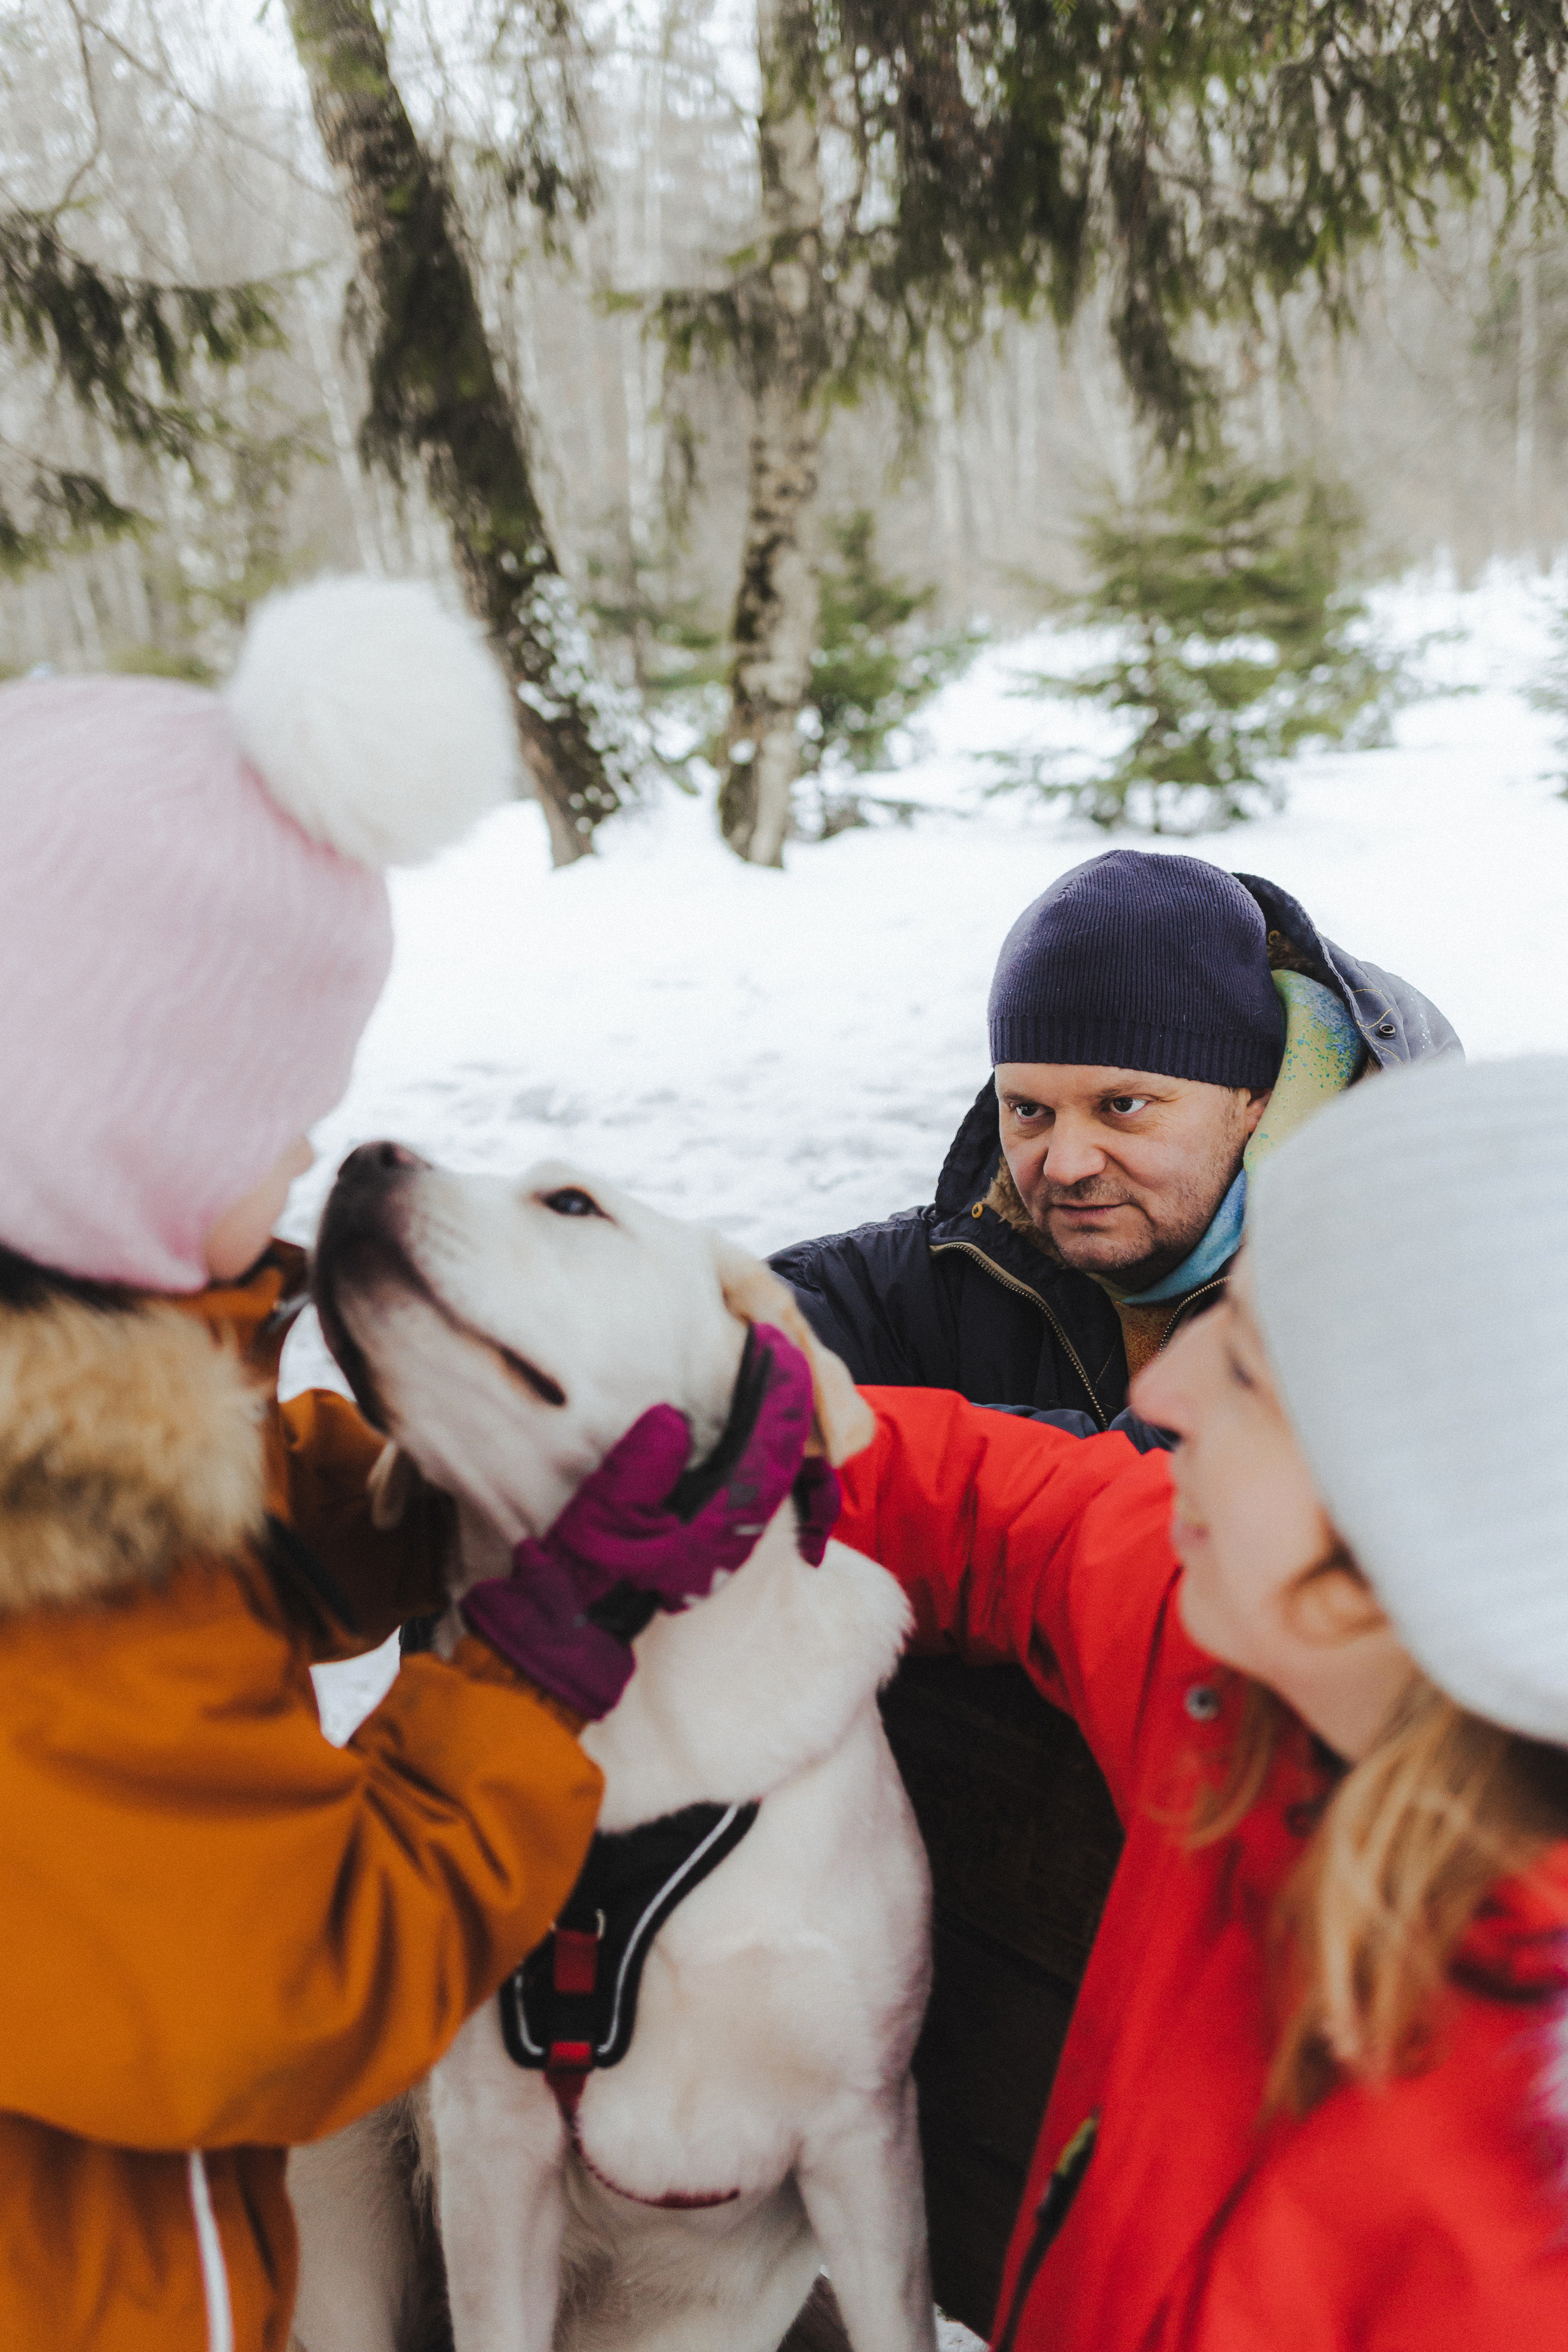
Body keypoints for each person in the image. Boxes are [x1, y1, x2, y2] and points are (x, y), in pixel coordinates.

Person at [0, 582, 819, 2352]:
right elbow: (309, 1977)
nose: (309, 1140)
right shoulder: (54, 1583)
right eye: (273, 1106)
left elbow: (204, 1521)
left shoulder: (60, 1449)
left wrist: (413, 1485)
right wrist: (532, 1664)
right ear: (121, 1128)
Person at [831, 1052, 1568, 2347]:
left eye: (1249, 1375)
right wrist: (740, 1448)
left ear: (1416, 1531)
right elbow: (1034, 1518)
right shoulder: (1254, 1688)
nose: (1159, 1392)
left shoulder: (1498, 2266)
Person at [772, 851, 1458, 1435]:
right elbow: (759, 1336)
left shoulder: (1400, 1297)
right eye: (1029, 1111)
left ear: (1255, 1099)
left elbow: (1157, 1492)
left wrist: (905, 1453)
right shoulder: (957, 1274)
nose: (1066, 1165)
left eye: (1122, 1106)